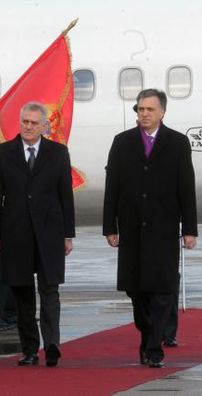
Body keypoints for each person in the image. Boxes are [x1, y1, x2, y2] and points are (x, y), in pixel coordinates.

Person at [103, 88, 197, 368]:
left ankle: (154, 348)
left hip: (163, 228)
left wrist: (189, 229)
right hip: (131, 229)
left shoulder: (177, 143)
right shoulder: (122, 142)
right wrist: (110, 226)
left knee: (161, 290)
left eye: (149, 109)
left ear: (162, 112)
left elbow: (186, 189)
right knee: (136, 290)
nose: (144, 114)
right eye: (140, 109)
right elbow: (113, 188)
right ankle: (147, 334)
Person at [0, 101, 75, 367]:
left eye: (34, 123)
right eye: (25, 121)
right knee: (22, 293)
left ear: (44, 126)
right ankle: (29, 349)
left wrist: (67, 234)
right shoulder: (3, 153)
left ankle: (52, 344)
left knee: (50, 291)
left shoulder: (58, 153)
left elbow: (65, 196)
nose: (28, 126)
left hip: (49, 232)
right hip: (16, 232)